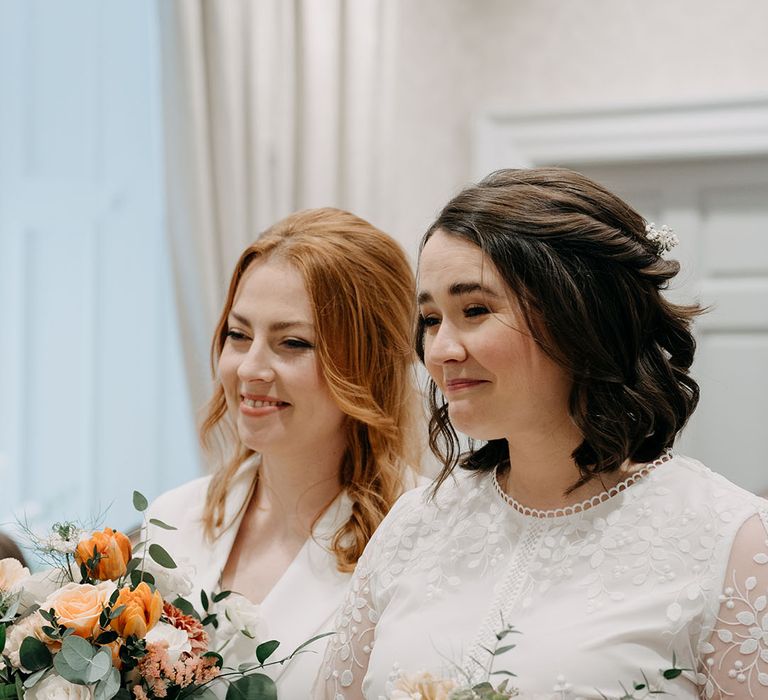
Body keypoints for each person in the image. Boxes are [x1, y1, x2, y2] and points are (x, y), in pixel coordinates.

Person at [316, 168, 768, 699]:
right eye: (432, 318)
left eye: (476, 310)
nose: (440, 350)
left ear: (580, 314)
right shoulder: (415, 526)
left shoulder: (730, 540)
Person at [148, 208, 421, 696]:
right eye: (238, 334)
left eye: (292, 342)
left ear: (368, 363)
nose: (251, 368)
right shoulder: (173, 520)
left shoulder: (421, 539)